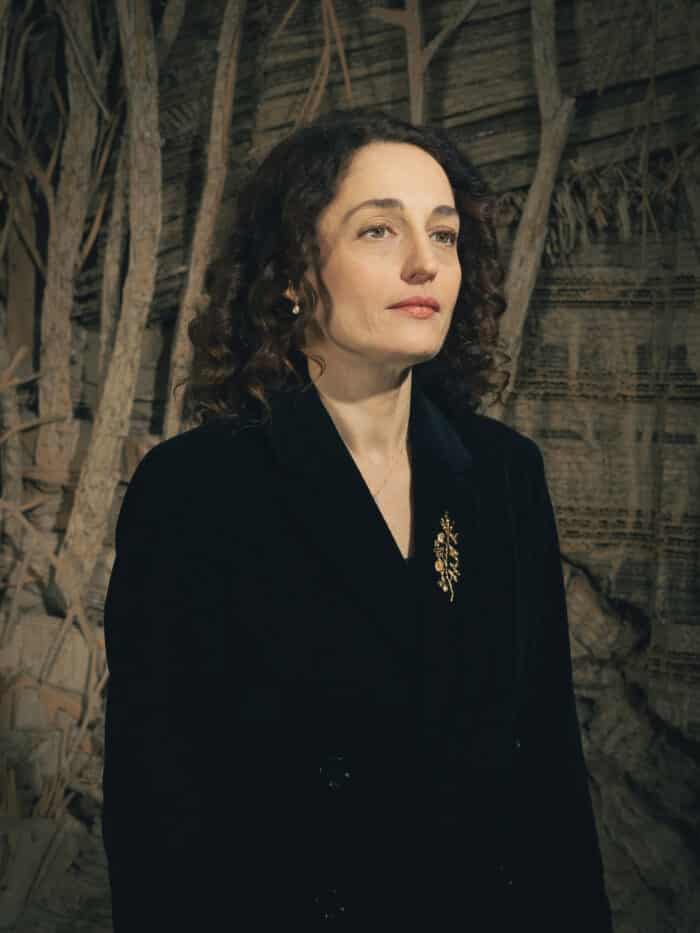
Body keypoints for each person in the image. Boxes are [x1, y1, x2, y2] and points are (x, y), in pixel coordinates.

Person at [101, 107, 613, 931]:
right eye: (379, 230)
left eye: (443, 235)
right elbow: (157, 820)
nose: (424, 262)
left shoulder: (504, 475)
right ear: (291, 273)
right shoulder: (194, 491)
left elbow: (550, 784)